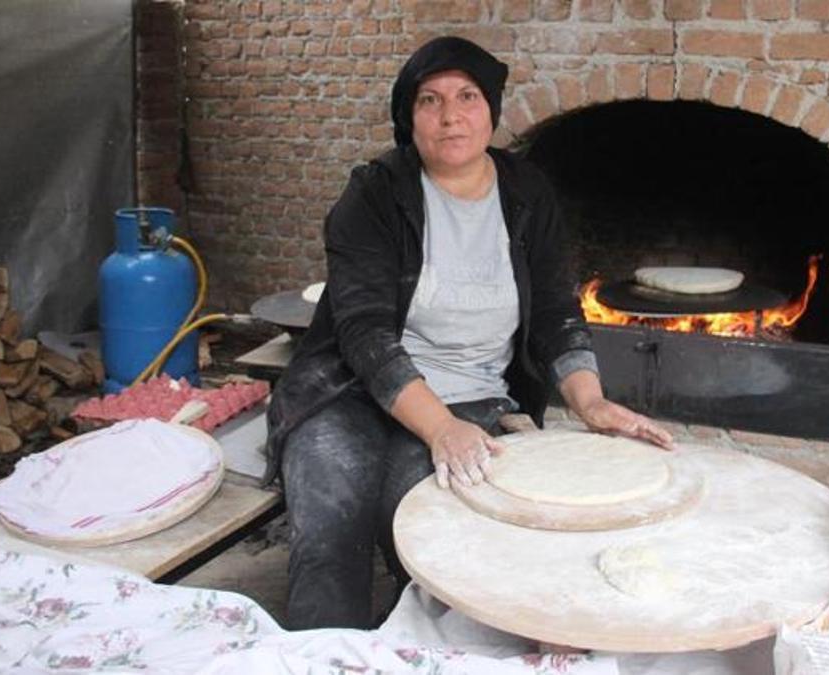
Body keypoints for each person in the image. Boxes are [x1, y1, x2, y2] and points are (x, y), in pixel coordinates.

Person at [266, 35, 673, 630]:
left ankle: (419, 653)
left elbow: (558, 309)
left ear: (492, 109)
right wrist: (440, 429)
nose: (450, 115)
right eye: (429, 100)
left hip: (470, 397)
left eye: (467, 96)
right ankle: (324, 656)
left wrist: (589, 400)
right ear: (409, 117)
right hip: (345, 394)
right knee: (332, 527)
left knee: (425, 534)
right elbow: (365, 334)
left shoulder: (528, 195)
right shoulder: (375, 195)